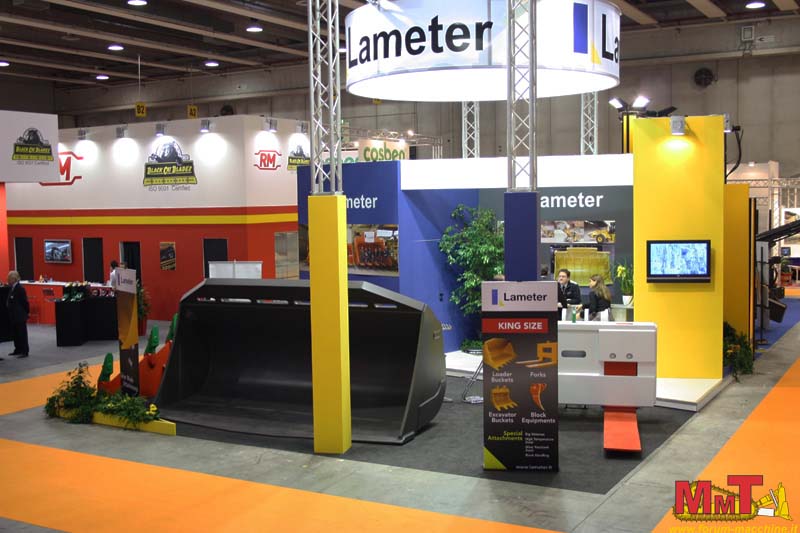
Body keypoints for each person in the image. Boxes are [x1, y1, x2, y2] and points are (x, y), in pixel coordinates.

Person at [6, 271, 29, 358]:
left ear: (13, 279)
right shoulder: (12, 288)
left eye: (9, 279)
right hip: (14, 315)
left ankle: (24, 351)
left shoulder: (20, 289)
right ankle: (18, 349)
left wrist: (26, 312)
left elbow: (25, 302)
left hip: (20, 315)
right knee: (16, 334)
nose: (8, 280)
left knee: (22, 333)